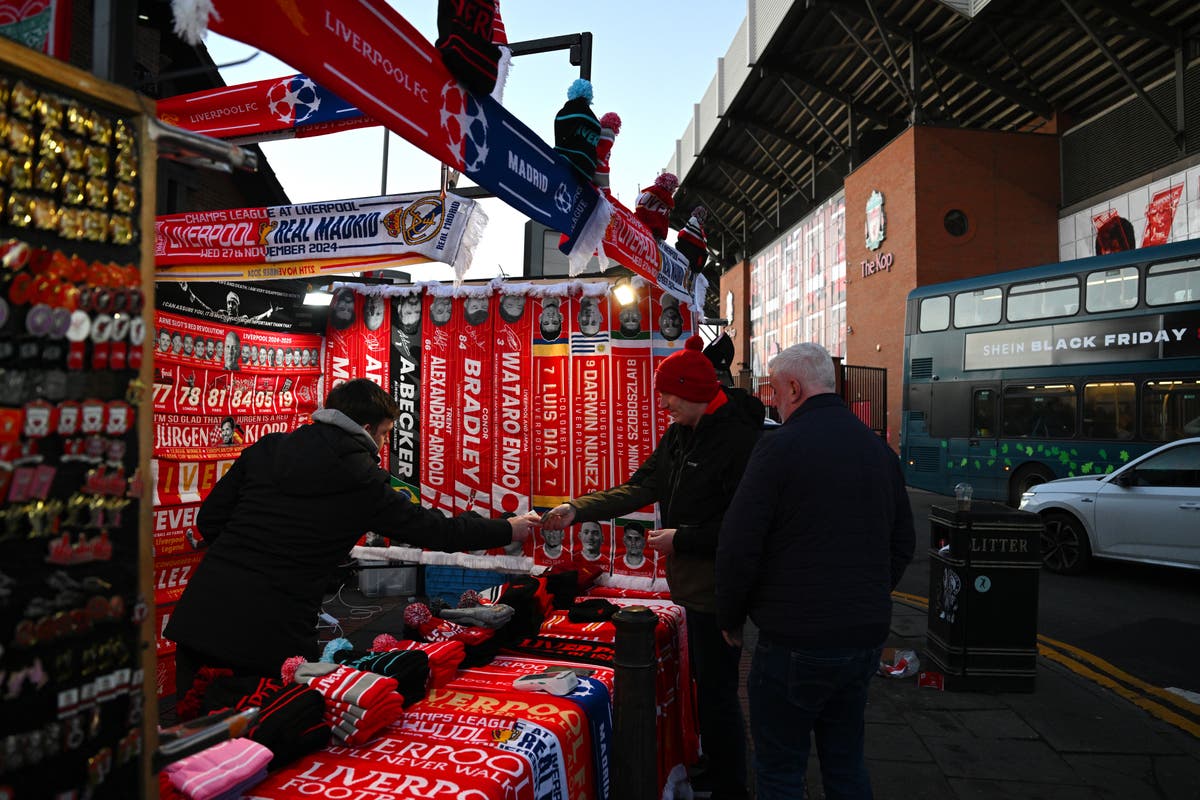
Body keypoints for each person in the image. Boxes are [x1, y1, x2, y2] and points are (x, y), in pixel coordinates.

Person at [165, 379, 541, 700]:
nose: (383, 442)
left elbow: (210, 519)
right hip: (269, 634)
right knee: (263, 749)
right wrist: (507, 528)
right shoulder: (359, 478)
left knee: (190, 755)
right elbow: (435, 530)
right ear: (364, 428)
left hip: (203, 615)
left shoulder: (268, 448)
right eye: (383, 433)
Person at [542, 335, 764, 799]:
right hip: (689, 582)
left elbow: (744, 526)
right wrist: (576, 509)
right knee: (703, 684)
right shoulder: (682, 432)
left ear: (694, 392)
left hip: (718, 586)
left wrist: (683, 538)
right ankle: (716, 769)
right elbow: (642, 486)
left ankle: (732, 787)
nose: (662, 405)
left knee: (720, 691)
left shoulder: (738, 439)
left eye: (668, 396)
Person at [716, 343, 915, 800]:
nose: (773, 400)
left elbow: (739, 544)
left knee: (781, 770)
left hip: (794, 640)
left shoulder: (778, 449)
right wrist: (868, 594)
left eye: (774, 390)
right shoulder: (878, 451)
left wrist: (731, 617)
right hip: (863, 637)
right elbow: (904, 541)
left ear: (794, 387)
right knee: (845, 763)